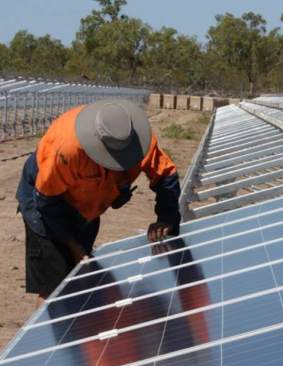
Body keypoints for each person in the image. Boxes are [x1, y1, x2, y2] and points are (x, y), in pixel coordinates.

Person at [16, 99, 181, 307]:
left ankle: (80, 332)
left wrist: (167, 218)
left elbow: (166, 176)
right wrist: (74, 247)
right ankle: (49, 334)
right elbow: (47, 202)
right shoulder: (69, 150)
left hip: (87, 207)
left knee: (82, 277)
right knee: (55, 285)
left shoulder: (140, 141)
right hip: (45, 203)